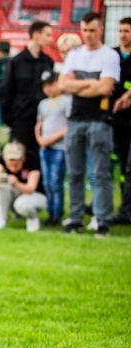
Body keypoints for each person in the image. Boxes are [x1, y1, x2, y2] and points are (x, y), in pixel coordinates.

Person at [59, 11, 120, 238]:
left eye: (92, 30)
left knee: (100, 173)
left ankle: (102, 220)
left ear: (100, 30)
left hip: (99, 121)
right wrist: (91, 83)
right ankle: (75, 218)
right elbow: (63, 85)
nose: (88, 34)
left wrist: (78, 85)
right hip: (75, 120)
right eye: (84, 30)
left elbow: (105, 88)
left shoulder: (109, 55)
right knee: (75, 173)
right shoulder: (74, 54)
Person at [0, 21, 54, 168]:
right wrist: (11, 119)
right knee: (19, 160)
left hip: (43, 121)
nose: (50, 39)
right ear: (36, 35)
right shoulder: (16, 62)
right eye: (47, 35)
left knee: (41, 163)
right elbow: (5, 92)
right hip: (21, 121)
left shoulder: (48, 62)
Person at [35, 70, 71, 227]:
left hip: (59, 148)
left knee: (56, 181)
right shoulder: (43, 104)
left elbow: (68, 126)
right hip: (44, 148)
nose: (48, 88)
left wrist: (50, 139)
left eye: (51, 84)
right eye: (45, 86)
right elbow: (39, 124)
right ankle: (50, 212)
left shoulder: (67, 101)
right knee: (47, 182)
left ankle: (57, 213)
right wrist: (40, 139)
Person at [0, 141, 46, 232]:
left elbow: (31, 189)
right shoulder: (2, 159)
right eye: (10, 165)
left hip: (36, 195)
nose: (13, 168)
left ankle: (32, 219)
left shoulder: (33, 159)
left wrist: (16, 183)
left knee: (21, 204)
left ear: (23, 159)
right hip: (18, 195)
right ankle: (1, 219)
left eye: (16, 165)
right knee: (2, 185)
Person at [111, 17, 131, 225]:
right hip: (110, 119)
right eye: (121, 31)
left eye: (127, 31)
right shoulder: (112, 55)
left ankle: (126, 209)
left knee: (127, 166)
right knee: (106, 165)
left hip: (128, 123)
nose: (123, 35)